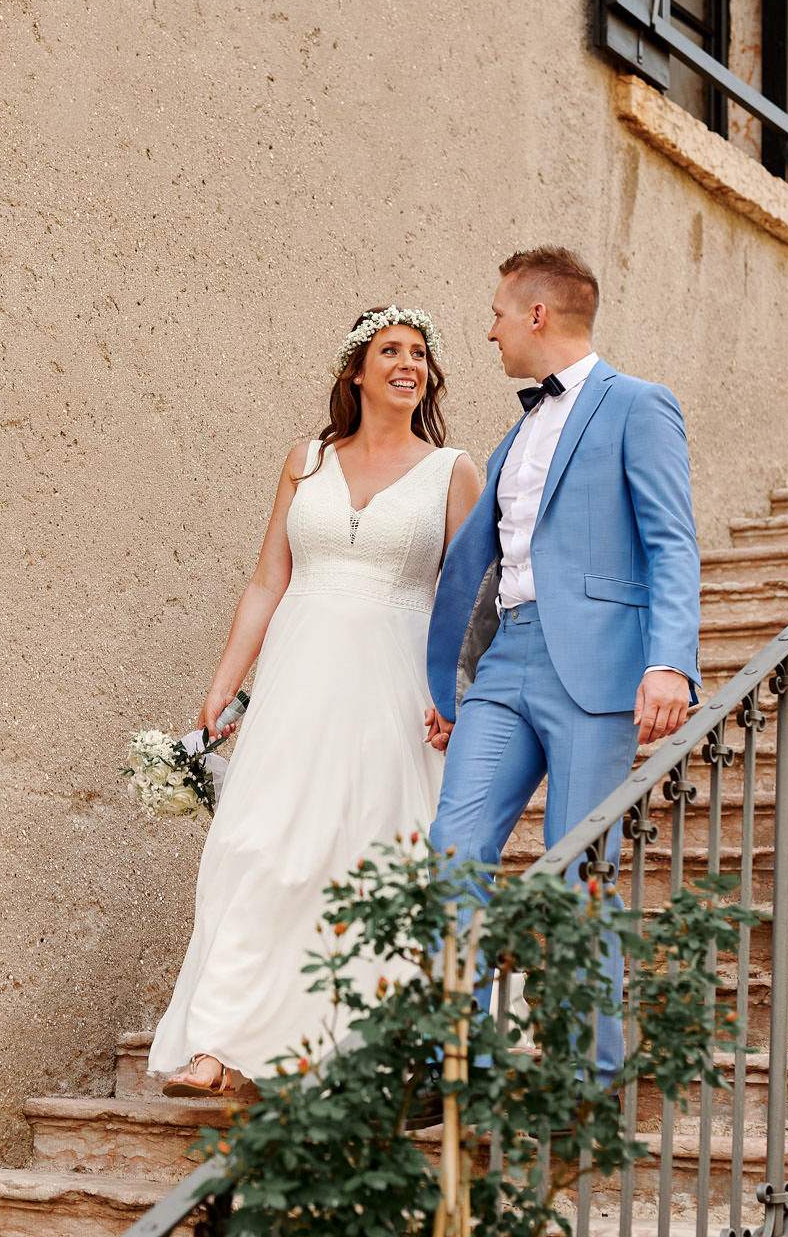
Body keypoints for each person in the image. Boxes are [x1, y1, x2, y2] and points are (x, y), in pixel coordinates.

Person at [150, 306, 483, 1097]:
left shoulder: (454, 471)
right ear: (355, 371)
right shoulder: (305, 460)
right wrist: (226, 680)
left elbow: (467, 599)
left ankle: (358, 1052)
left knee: (370, 853)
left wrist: (455, 692)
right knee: (257, 845)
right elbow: (270, 578)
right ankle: (217, 1045)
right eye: (390, 350)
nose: (408, 363)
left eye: (420, 354)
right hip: (299, 680)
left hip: (394, 686)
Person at [424, 247, 701, 1077]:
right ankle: (456, 1058)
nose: (489, 331)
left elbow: (670, 540)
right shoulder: (517, 430)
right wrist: (454, 682)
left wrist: (671, 662)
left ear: (537, 314)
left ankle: (591, 1074)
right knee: (452, 846)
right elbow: (492, 565)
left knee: (579, 866)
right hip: (506, 662)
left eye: (498, 314)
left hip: (599, 669)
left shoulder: (639, 406)